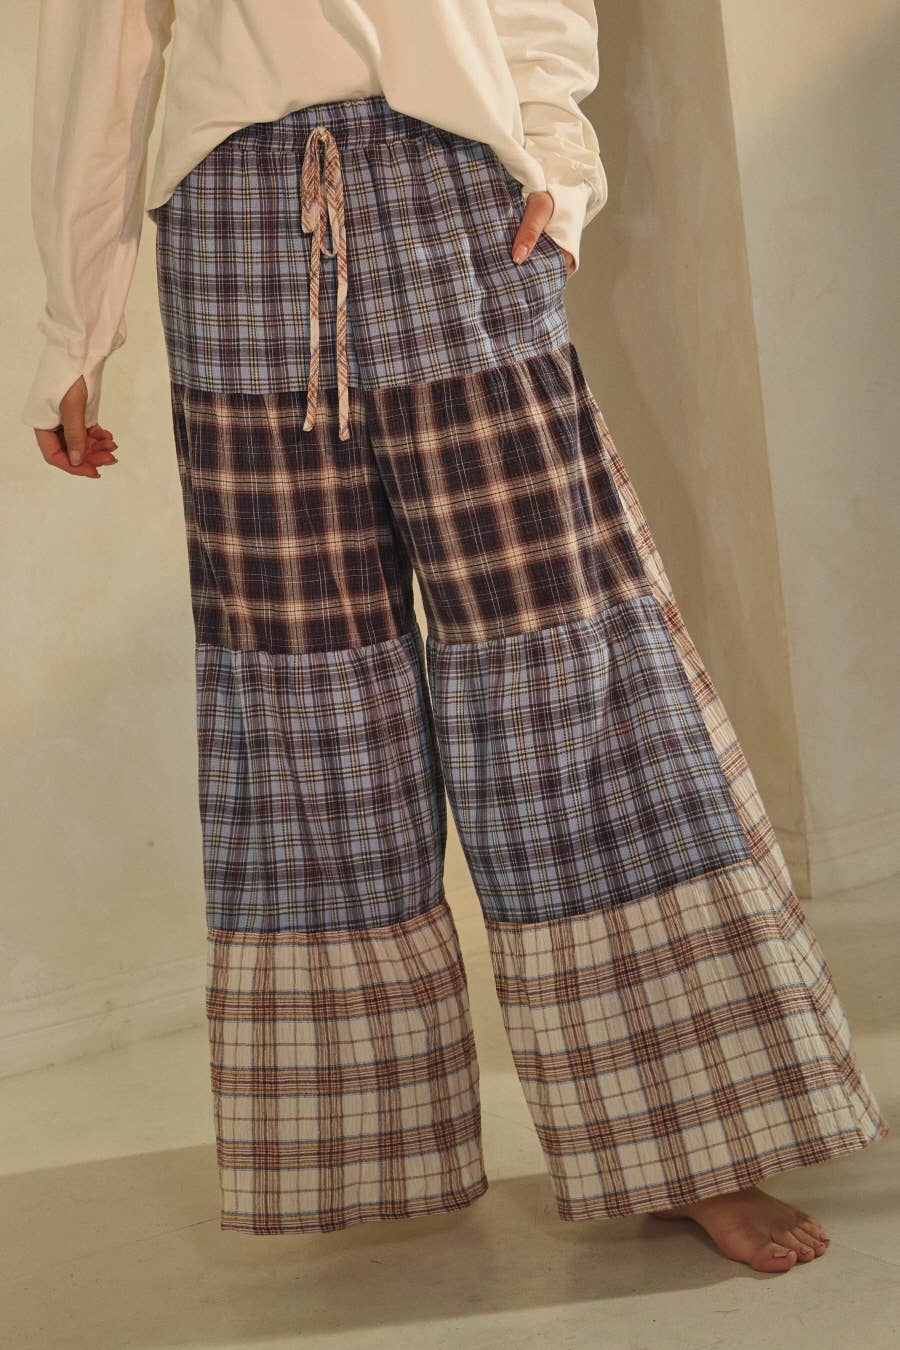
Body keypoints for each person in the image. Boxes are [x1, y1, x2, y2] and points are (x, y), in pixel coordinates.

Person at [22, 0, 888, 1274]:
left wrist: (557, 173)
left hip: (455, 199)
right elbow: (97, 48)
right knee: (303, 693)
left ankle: (689, 1146)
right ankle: (365, 1152)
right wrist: (75, 329)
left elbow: (535, 8)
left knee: (566, 664)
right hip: (235, 228)